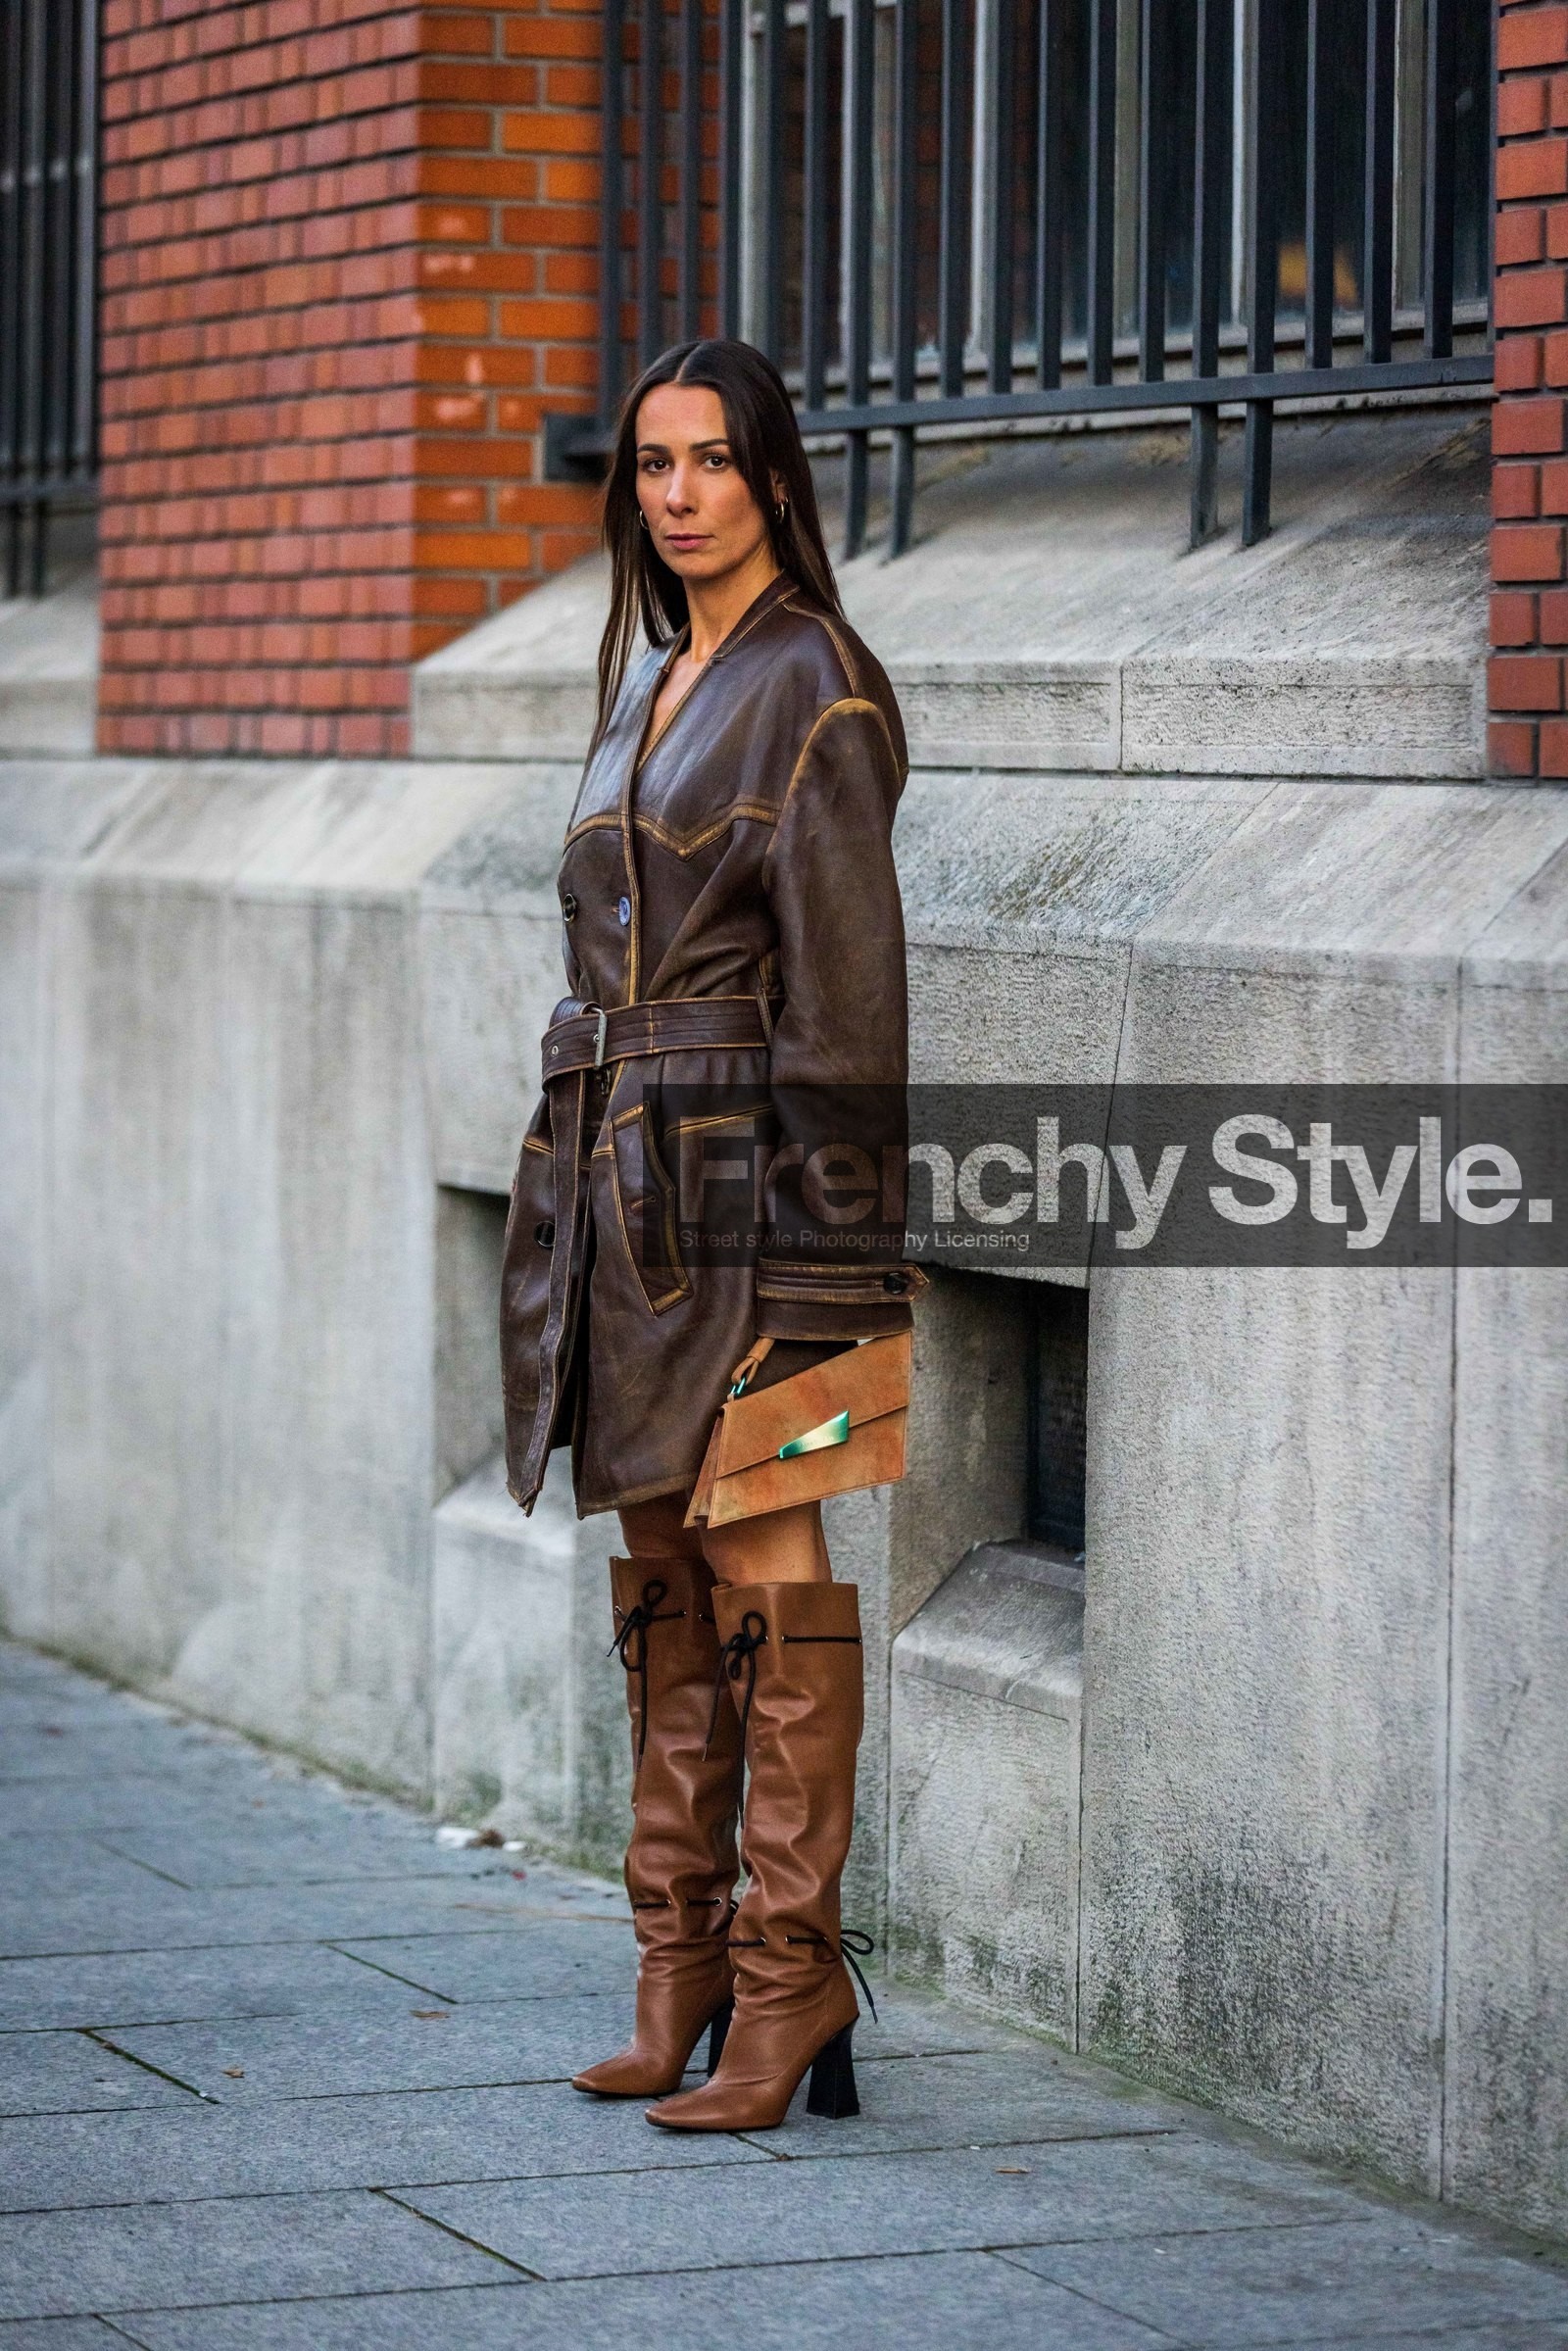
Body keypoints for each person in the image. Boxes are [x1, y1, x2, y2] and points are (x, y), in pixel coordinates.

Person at [497, 336, 917, 2132]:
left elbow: (849, 1014)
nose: (675, 495)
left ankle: (789, 1980)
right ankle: (672, 1972)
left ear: (771, 477)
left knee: (770, 1564)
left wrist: (822, 1278)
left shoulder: (815, 682)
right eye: (651, 465)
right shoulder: (652, 676)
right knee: (666, 1568)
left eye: (710, 462)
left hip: (752, 1202)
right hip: (625, 1197)